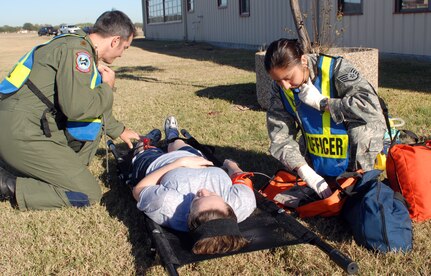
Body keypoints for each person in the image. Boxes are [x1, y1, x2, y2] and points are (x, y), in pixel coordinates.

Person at [0, 11, 140, 209]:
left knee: (72, 167)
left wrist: (119, 130)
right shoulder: (79, 52)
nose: (121, 54)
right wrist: (107, 88)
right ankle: (7, 185)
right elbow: (78, 108)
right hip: (21, 130)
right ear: (115, 40)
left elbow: (86, 101)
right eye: (124, 47)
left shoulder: (74, 45)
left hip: (18, 123)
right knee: (87, 192)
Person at [264, 38, 386, 199]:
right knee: (291, 163)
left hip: (356, 148)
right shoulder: (279, 89)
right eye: (278, 80)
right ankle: (321, 171)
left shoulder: (335, 68)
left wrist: (324, 103)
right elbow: (280, 137)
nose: (285, 85)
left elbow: (371, 106)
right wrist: (305, 172)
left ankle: (359, 174)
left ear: (303, 60)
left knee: (361, 133)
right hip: (318, 151)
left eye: (288, 77)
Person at [130, 116, 257, 254]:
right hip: (194, 157)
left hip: (155, 164)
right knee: (176, 143)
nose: (203, 190)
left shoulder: (167, 205)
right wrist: (231, 165)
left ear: (188, 216)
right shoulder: (243, 202)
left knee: (145, 151)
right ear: (229, 207)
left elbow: (138, 190)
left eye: (197, 198)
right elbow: (240, 177)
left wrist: (179, 163)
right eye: (213, 194)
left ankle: (145, 144)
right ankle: (172, 136)